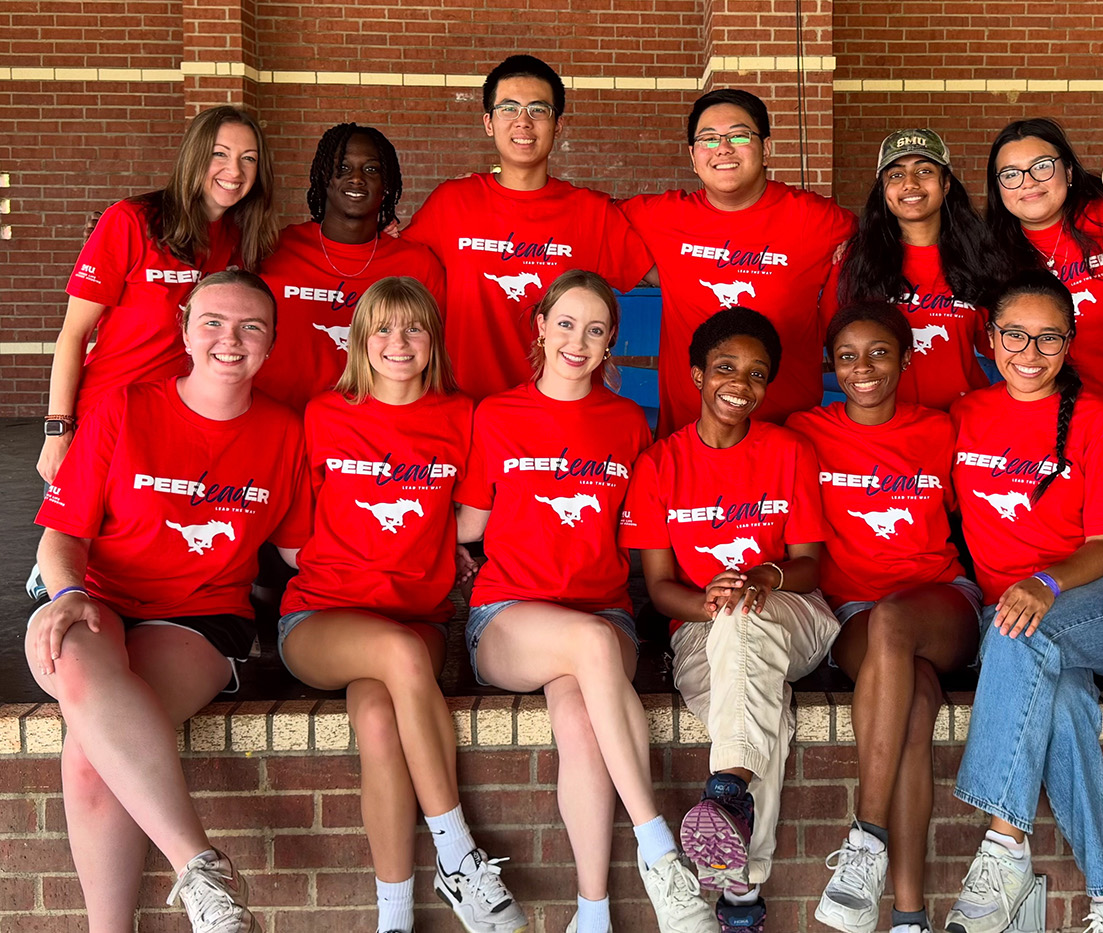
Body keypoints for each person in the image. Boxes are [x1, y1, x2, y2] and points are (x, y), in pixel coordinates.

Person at [25, 270, 311, 933]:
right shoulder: (125, 406)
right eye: (212, 321)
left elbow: (305, 551)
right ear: (183, 330)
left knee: (94, 747)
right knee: (69, 648)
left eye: (251, 326)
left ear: (271, 343)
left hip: (201, 617)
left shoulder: (284, 432)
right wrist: (67, 593)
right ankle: (202, 868)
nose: (229, 340)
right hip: (99, 597)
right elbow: (61, 535)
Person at [460, 271, 713, 933]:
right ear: (540, 325)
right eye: (566, 323)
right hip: (509, 614)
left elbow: (649, 526)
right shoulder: (496, 414)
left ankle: (593, 913)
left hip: (603, 607)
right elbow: (465, 523)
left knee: (578, 719)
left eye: (596, 329)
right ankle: (659, 847)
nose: (578, 339)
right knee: (592, 647)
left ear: (610, 345)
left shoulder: (629, 423)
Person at [276, 277, 525, 933]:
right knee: (395, 652)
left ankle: (394, 919)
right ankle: (457, 852)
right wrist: (367, 560)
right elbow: (292, 547)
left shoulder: (460, 416)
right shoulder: (323, 414)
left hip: (418, 616)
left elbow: (470, 522)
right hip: (323, 617)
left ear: (432, 339)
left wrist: (442, 548)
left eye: (413, 327)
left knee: (381, 724)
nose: (397, 341)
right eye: (381, 328)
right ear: (359, 340)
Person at [945, 269, 1103, 933]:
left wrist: (1047, 582)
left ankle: (1005, 843)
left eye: (1049, 339)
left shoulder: (1098, 419)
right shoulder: (964, 415)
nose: (1030, 353)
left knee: (1016, 632)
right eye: (1015, 335)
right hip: (1021, 613)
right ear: (989, 334)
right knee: (1062, 703)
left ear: (1070, 343)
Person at [622, 307, 840, 933]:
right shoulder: (661, 466)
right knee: (758, 693)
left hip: (793, 614)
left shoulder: (789, 451)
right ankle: (741, 884)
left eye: (756, 373)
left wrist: (764, 577)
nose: (739, 383)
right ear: (695, 374)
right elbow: (662, 588)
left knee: (747, 627)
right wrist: (709, 604)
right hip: (699, 626)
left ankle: (727, 793)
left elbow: (809, 568)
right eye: (724, 367)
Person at [30, 104, 278, 601]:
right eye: (220, 154)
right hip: (107, 412)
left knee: (155, 541)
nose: (234, 171)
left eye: (249, 159)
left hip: (179, 417)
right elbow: (73, 334)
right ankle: (55, 588)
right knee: (77, 550)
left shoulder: (241, 239)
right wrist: (59, 429)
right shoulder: (131, 220)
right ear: (193, 156)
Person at [786, 303, 981, 933]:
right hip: (854, 612)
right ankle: (907, 915)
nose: (862, 368)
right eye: (846, 356)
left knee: (897, 620)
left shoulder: (942, 429)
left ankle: (864, 839)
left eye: (878, 353)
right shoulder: (805, 432)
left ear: (905, 358)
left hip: (938, 599)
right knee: (916, 708)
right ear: (830, 366)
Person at [402, 55, 653, 398]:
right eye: (509, 108)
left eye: (538, 110)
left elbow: (675, 275)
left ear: (558, 125)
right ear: (489, 122)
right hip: (468, 410)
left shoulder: (591, 213)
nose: (523, 122)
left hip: (560, 417)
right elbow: (396, 269)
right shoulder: (451, 203)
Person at [622, 89, 856, 435]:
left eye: (739, 135)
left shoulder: (819, 221)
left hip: (785, 440)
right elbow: (586, 224)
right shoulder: (661, 217)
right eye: (709, 138)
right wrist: (657, 274)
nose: (723, 148)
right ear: (693, 155)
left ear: (767, 148)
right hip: (689, 441)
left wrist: (855, 246)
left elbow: (879, 241)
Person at [255, 123, 446, 413]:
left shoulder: (416, 265)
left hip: (365, 442)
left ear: (387, 184)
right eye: (342, 168)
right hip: (276, 422)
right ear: (324, 177)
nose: (356, 179)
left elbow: (431, 358)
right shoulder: (274, 250)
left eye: (371, 170)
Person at [985, 118, 1103, 413]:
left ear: (1067, 171)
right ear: (999, 187)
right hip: (1055, 423)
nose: (1028, 181)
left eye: (1041, 166)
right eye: (1011, 174)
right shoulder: (988, 253)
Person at [822, 129, 1005, 409]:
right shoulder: (855, 261)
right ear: (883, 188)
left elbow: (999, 349)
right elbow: (833, 341)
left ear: (945, 184)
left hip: (960, 422)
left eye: (924, 171)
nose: (909, 184)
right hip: (883, 425)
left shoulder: (980, 258)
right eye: (896, 174)